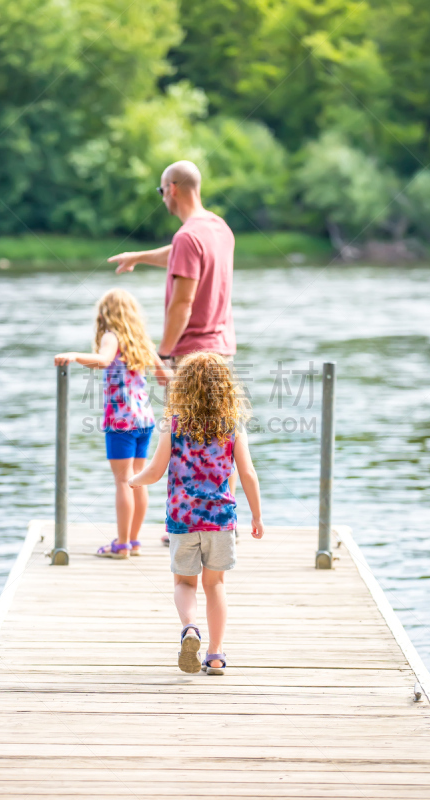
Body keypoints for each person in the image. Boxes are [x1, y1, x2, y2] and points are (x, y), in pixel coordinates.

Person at [108, 160, 238, 544]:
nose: (162, 196)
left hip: (190, 356)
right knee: (220, 436)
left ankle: (181, 526)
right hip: (222, 352)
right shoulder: (219, 228)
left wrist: (163, 354)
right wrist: (139, 256)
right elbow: (179, 252)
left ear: (172, 189)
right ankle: (222, 519)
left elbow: (182, 302)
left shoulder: (187, 236)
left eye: (161, 190)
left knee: (179, 440)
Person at [129, 352, 264, 675]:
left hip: (183, 519)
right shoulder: (232, 427)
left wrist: (135, 479)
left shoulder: (172, 426)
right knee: (215, 585)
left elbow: (156, 470)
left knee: (184, 583)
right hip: (220, 519)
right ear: (226, 389)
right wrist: (256, 516)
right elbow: (247, 474)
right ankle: (216, 655)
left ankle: (190, 628)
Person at [54, 288, 170, 559]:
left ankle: (122, 544)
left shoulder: (111, 336)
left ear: (106, 314)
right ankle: (134, 540)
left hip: (121, 420)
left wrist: (74, 355)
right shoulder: (141, 340)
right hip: (144, 418)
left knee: (123, 481)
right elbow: (163, 376)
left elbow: (103, 359)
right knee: (138, 480)